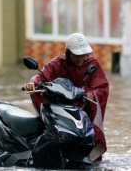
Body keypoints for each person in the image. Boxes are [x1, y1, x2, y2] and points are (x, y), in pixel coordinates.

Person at [24, 33, 109, 162]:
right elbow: (42, 75)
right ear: (69, 53)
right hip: (59, 107)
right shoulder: (57, 63)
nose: (81, 59)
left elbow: (102, 86)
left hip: (82, 108)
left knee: (90, 136)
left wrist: (92, 93)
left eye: (83, 55)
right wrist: (32, 84)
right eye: (78, 56)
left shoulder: (92, 63)